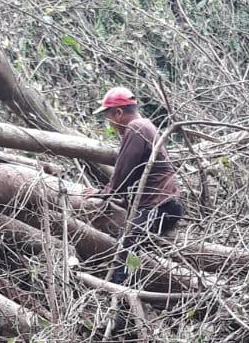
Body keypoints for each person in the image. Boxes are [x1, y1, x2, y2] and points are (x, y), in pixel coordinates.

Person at [75, 86, 185, 284]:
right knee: (131, 241)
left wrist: (103, 194)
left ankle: (123, 295)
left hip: (159, 205)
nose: (108, 122)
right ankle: (138, 282)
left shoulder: (136, 128)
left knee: (127, 245)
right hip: (164, 204)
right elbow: (132, 175)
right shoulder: (146, 126)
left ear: (118, 113)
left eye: (108, 116)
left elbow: (123, 173)